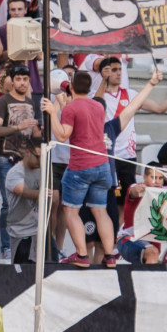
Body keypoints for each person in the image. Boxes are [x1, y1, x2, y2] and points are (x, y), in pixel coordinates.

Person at [42, 70, 115, 266]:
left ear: (72, 87)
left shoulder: (71, 109)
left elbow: (63, 135)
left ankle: (82, 255)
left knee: (71, 211)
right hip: (102, 165)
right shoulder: (98, 107)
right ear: (90, 88)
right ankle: (110, 255)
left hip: (80, 167)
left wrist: (52, 113)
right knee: (101, 211)